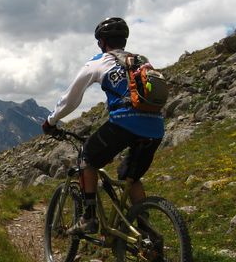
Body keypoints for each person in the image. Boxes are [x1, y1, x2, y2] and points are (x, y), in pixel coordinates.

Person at [42, 17, 164, 234]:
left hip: (124, 123)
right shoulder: (141, 61)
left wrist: (51, 121)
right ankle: (145, 230)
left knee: (86, 158)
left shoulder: (99, 61)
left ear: (101, 42)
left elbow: (71, 98)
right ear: (124, 40)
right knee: (131, 177)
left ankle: (88, 219)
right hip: (155, 126)